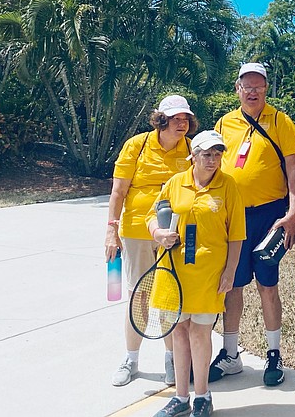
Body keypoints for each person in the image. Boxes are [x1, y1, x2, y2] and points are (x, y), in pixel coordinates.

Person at [210, 62, 295, 386]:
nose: (252, 91)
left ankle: (274, 353)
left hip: (269, 215)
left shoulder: (281, 122)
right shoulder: (225, 122)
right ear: (237, 88)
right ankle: (231, 354)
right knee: (232, 285)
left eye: (258, 86)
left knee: (267, 285)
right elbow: (214, 166)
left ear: (266, 88)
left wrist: (294, 212)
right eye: (246, 86)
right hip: (233, 216)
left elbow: (294, 168)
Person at [148, 130, 246, 417]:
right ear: (193, 155)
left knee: (200, 333)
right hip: (175, 271)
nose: (212, 160)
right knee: (179, 332)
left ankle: (202, 396)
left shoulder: (228, 186)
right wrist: (158, 233)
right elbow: (153, 215)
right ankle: (180, 397)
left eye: (217, 154)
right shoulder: (175, 183)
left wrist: (230, 272)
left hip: (208, 273)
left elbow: (236, 235)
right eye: (206, 154)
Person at [105, 94, 196, 387]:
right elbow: (118, 192)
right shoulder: (138, 145)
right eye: (176, 118)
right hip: (137, 231)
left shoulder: (193, 149)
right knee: (138, 297)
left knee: (170, 298)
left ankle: (174, 362)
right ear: (162, 119)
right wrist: (111, 231)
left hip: (175, 235)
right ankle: (131, 360)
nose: (182, 124)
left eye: (186, 118)